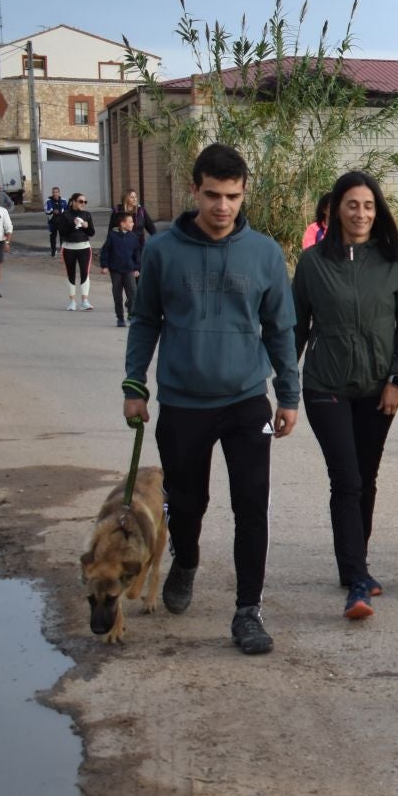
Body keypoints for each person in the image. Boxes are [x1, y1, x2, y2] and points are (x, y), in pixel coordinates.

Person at [123, 143, 299, 657]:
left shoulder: (265, 253)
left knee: (252, 505)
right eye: (213, 195)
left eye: (233, 196)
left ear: (245, 194)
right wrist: (135, 384)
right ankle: (187, 559)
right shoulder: (161, 250)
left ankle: (248, 611)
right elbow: (145, 321)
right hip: (182, 402)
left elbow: (280, 329)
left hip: (247, 402)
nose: (223, 207)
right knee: (189, 502)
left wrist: (287, 394)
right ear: (194, 190)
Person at [294, 172, 398, 621]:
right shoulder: (312, 264)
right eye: (352, 205)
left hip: (378, 388)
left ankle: (353, 565)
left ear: (377, 210)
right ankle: (358, 578)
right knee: (346, 479)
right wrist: (286, 388)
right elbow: (295, 329)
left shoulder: (393, 261)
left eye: (368, 206)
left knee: (366, 477)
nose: (361, 214)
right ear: (334, 210)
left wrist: (397, 378)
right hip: (325, 387)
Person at [98, 209, 142, 327]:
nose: (133, 224)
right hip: (116, 270)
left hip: (129, 270)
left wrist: (137, 268)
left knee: (133, 293)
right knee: (117, 295)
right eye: (130, 222)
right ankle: (120, 317)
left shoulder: (133, 237)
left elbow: (136, 253)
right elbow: (105, 251)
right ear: (122, 224)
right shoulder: (112, 236)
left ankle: (132, 314)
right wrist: (104, 265)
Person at [56, 192, 98, 312]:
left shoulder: (87, 215)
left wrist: (86, 226)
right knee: (71, 274)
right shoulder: (65, 215)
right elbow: (62, 232)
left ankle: (85, 301)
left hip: (84, 247)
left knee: (85, 273)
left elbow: (92, 233)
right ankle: (72, 301)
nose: (83, 204)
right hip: (68, 248)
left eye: (85, 202)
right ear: (73, 201)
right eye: (80, 201)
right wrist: (72, 224)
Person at [44, 187, 67, 254]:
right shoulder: (48, 200)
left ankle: (62, 251)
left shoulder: (64, 200)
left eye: (56, 192)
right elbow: (46, 210)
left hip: (61, 222)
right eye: (54, 192)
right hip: (52, 222)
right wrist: (52, 211)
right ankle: (53, 251)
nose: (55, 193)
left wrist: (60, 212)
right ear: (52, 193)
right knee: (52, 237)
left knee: (62, 237)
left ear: (59, 193)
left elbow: (67, 210)